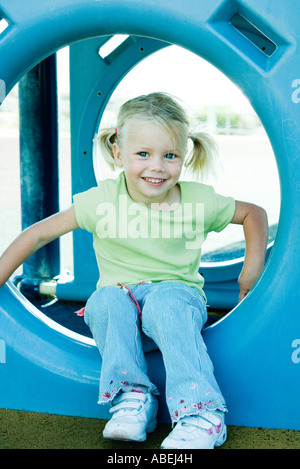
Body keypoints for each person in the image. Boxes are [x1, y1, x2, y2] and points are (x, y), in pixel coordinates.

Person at [0, 92, 268, 449]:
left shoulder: (196, 200)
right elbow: (38, 234)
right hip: (124, 320)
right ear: (118, 154)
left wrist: (250, 269)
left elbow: (253, 213)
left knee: (164, 301)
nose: (157, 167)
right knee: (104, 300)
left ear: (184, 157)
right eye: (143, 154)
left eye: (169, 156)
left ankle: (203, 414)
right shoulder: (102, 201)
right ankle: (133, 399)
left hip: (177, 307)